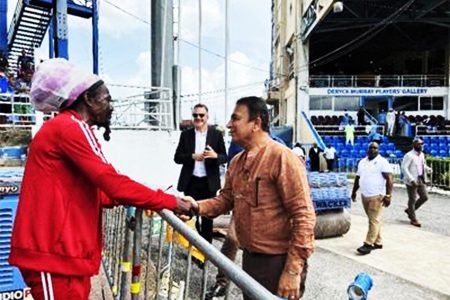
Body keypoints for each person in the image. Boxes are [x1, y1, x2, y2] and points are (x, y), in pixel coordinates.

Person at [8, 58, 193, 300]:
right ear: (88, 100)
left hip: (64, 256)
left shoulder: (69, 129)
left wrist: (153, 199)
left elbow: (100, 191)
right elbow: (111, 183)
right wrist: (169, 201)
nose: (111, 106)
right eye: (107, 99)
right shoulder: (69, 127)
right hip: (52, 255)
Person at [184, 96, 315, 300]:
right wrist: (195, 206)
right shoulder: (237, 162)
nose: (229, 124)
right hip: (251, 259)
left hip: (278, 262)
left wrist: (292, 270)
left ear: (256, 124)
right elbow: (225, 200)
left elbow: (304, 217)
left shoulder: (283, 158)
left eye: (235, 118)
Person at [174, 103, 227, 243]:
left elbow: (224, 157)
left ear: (207, 117)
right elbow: (177, 158)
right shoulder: (186, 135)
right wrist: (192, 156)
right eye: (195, 115)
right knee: (189, 217)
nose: (198, 118)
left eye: (201, 115)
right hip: (191, 181)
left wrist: (215, 155)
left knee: (207, 220)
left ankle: (205, 256)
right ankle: (195, 248)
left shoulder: (216, 135)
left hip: (208, 183)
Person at [351, 142, 393, 255]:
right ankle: (378, 242)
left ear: (378, 150)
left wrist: (388, 195)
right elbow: (358, 177)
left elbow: (389, 179)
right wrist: (354, 191)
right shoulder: (362, 162)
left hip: (377, 196)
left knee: (374, 220)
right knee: (373, 219)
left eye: (375, 148)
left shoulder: (382, 162)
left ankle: (368, 244)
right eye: (371, 147)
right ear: (367, 149)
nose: (372, 149)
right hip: (365, 195)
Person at [401, 137, 432, 227]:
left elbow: (422, 165)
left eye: (421, 144)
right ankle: (413, 219)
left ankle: (410, 211)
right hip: (412, 180)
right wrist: (411, 179)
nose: (421, 145)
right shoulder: (409, 155)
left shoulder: (421, 154)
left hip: (420, 178)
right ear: (414, 144)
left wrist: (428, 169)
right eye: (419, 144)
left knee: (424, 197)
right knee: (412, 199)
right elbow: (404, 168)